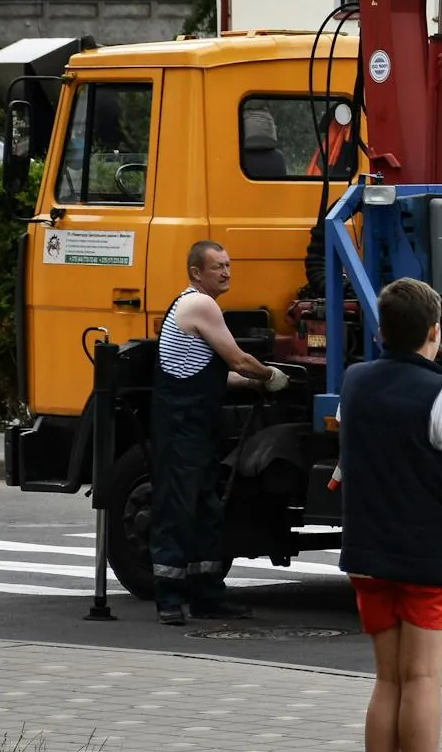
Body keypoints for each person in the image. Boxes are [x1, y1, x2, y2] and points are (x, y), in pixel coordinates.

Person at [336, 278, 442, 752]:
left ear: (381, 331)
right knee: (422, 678)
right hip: (424, 558)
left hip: (366, 554)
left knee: (388, 680)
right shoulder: (440, 394)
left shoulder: (354, 382)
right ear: (434, 332)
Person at [152, 240, 288, 625]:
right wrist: (271, 376)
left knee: (207, 507)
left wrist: (249, 384)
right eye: (218, 267)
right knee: (179, 509)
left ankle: (207, 593)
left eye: (229, 265)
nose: (226, 272)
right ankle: (170, 598)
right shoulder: (200, 304)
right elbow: (239, 360)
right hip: (181, 426)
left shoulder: (193, 305)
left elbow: (210, 373)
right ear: (196, 272)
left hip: (195, 424)